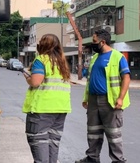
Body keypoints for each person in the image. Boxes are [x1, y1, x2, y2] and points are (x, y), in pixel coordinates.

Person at [75, 29, 130, 163]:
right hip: (93, 100)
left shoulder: (118, 57)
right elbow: (91, 79)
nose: (93, 44)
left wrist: (120, 98)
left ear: (103, 42)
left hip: (110, 101)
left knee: (113, 134)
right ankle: (92, 158)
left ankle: (118, 160)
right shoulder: (95, 57)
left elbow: (126, 78)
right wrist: (86, 99)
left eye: (94, 41)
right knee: (93, 132)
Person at [21, 34, 71, 163]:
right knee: (52, 145)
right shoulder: (62, 62)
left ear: (42, 46)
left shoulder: (41, 60)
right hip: (60, 110)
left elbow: (36, 82)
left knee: (39, 145)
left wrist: (28, 77)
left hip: (42, 110)